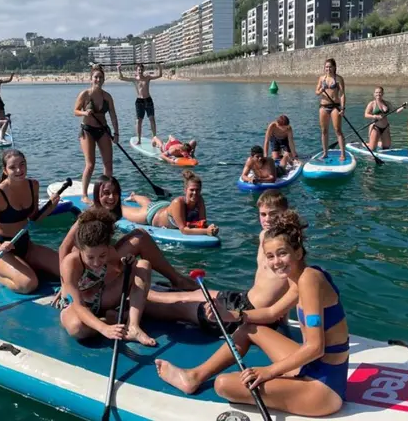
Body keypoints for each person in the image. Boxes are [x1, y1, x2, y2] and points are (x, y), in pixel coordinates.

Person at [156, 210, 348, 418]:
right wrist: (232, 314)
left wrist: (269, 371)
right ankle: (194, 376)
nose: (276, 262)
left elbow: (315, 347)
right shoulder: (301, 277)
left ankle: (199, 378)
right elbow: (272, 312)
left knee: (224, 385)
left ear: (298, 252)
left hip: (324, 388)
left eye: (282, 253)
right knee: (250, 329)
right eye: (270, 256)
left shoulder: (309, 280)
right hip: (313, 367)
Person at [147, 190, 291, 334]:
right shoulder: (264, 235)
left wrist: (283, 321)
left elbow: (294, 285)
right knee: (192, 293)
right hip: (243, 299)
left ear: (285, 213)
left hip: (250, 315)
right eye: (263, 214)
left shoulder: (288, 249)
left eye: (273, 214)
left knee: (180, 305)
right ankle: (141, 294)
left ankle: (139, 301)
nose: (267, 219)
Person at [59, 175, 198, 290]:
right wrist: (65, 285)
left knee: (139, 233)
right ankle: (176, 279)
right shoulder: (89, 217)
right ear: (97, 195)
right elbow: (64, 247)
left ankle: (176, 278)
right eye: (106, 193)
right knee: (140, 238)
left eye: (115, 193)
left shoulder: (109, 215)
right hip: (89, 271)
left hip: (98, 263)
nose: (112, 197)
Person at [56, 207, 156, 347]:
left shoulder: (110, 252)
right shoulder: (70, 264)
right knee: (77, 328)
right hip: (75, 306)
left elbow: (119, 269)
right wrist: (104, 329)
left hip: (101, 299)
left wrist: (128, 264)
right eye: (90, 257)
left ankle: (132, 326)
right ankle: (109, 320)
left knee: (143, 266)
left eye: (102, 256)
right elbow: (78, 306)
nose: (97, 262)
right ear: (80, 248)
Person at [0, 149, 61, 294]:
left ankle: (23, 266)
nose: (19, 170)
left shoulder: (33, 185)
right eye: (12, 167)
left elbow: (34, 218)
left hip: (26, 246)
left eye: (22, 165)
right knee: (29, 284)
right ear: (5, 170)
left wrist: (50, 207)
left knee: (65, 269)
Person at [122, 170, 218, 237]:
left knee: (147, 203)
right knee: (122, 209)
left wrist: (211, 228)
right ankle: (120, 203)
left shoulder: (200, 200)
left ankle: (134, 196)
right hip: (151, 214)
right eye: (191, 190)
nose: (195, 193)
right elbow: (184, 230)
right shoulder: (178, 202)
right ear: (185, 190)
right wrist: (206, 231)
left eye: (197, 190)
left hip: (164, 206)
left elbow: (202, 222)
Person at [74, 64, 119, 205]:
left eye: (101, 77)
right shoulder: (85, 94)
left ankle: (106, 193)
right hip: (87, 130)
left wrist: (116, 133)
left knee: (108, 164)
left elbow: (113, 115)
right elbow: (75, 111)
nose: (98, 80)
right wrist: (84, 112)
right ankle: (84, 195)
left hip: (103, 130)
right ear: (91, 79)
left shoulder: (107, 97)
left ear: (104, 79)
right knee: (90, 164)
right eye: (96, 77)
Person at [117, 62, 163, 144]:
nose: (140, 71)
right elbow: (121, 78)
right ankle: (139, 140)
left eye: (141, 69)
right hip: (139, 101)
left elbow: (160, 75)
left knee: (152, 119)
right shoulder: (135, 79)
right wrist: (119, 69)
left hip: (148, 100)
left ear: (143, 70)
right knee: (139, 121)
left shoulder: (147, 78)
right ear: (136, 70)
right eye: (139, 70)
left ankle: (154, 138)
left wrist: (159, 66)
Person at [315, 58, 346, 161]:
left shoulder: (339, 79)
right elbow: (317, 92)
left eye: (330, 66)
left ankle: (342, 153)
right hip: (323, 106)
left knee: (338, 130)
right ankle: (325, 153)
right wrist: (321, 90)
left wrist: (343, 108)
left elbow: (342, 94)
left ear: (334, 67)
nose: (328, 68)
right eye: (326, 67)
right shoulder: (321, 78)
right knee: (324, 130)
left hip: (335, 106)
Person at [364, 87, 393, 151]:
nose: (378, 94)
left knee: (386, 147)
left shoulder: (387, 103)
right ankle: (368, 144)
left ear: (382, 93)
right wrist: (375, 117)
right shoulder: (372, 104)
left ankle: (379, 143)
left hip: (385, 127)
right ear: (374, 94)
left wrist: (402, 107)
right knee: (372, 148)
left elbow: (395, 111)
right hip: (375, 127)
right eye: (376, 92)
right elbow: (366, 114)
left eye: (380, 92)